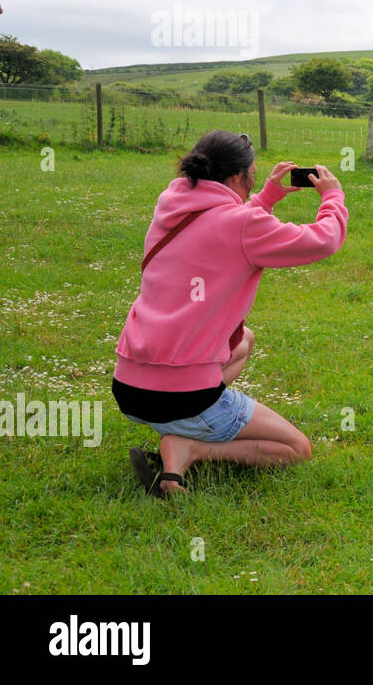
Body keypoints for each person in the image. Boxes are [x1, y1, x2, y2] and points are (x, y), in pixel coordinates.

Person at [113, 129, 347, 497]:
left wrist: (266, 197)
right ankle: (191, 446)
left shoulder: (171, 203)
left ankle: (183, 429)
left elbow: (221, 225)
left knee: (245, 341)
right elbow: (323, 239)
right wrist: (332, 197)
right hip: (180, 397)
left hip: (129, 388)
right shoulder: (242, 225)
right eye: (253, 172)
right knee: (296, 450)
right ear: (239, 176)